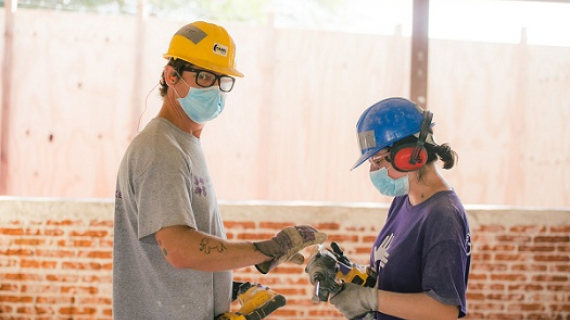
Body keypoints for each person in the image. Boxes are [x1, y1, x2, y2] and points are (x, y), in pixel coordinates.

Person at [112, 21, 327, 320]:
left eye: (222, 79)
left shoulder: (183, 144)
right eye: (203, 77)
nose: (214, 88)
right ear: (171, 76)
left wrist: (229, 288)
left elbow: (167, 263)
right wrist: (266, 249)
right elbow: (179, 250)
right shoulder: (161, 150)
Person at [306, 97, 471, 320]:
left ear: (409, 156)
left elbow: (444, 310)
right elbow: (390, 276)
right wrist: (343, 270)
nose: (373, 171)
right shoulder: (405, 199)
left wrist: (368, 299)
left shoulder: (443, 217)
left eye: (377, 161)